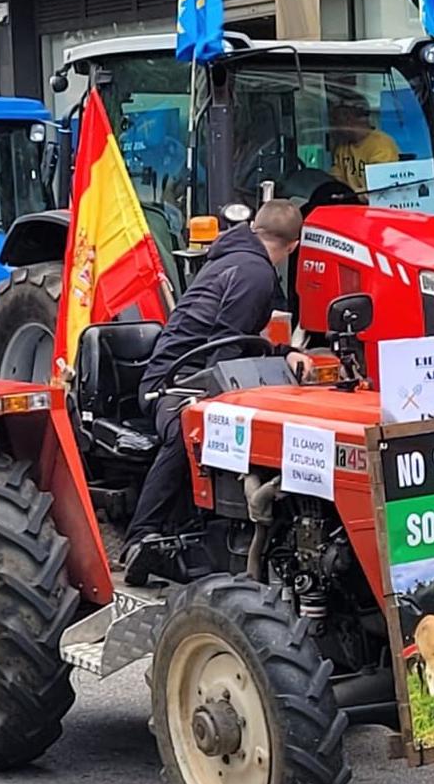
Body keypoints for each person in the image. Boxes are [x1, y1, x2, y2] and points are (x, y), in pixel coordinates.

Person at [126, 200, 308, 553]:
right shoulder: (255, 274)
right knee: (191, 427)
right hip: (172, 381)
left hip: (194, 368)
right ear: (293, 246)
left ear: (256, 226)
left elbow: (237, 342)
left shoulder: (233, 258)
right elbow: (224, 352)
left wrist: (285, 355)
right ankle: (140, 537)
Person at [326, 91, 398, 192]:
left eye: (336, 119)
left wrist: (359, 193)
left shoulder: (381, 145)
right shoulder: (343, 147)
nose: (333, 126)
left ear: (348, 118)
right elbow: (336, 180)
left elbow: (380, 187)